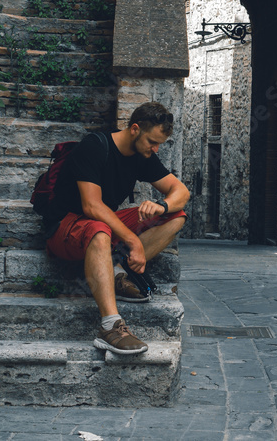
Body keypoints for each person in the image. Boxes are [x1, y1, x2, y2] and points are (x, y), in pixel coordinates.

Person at [45, 101, 190, 355]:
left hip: (101, 223)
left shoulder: (142, 155)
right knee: (99, 231)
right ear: (135, 129)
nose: (155, 149)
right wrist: (133, 241)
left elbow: (181, 192)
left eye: (159, 144)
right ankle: (110, 326)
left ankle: (117, 271)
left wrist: (162, 206)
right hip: (65, 227)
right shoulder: (94, 147)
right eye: (152, 142)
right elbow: (91, 206)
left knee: (176, 215)